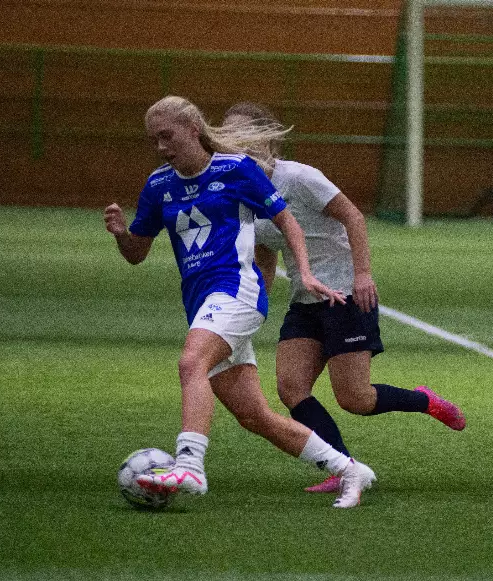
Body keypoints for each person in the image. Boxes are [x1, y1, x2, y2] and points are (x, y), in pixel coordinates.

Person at [103, 95, 376, 508]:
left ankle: (189, 465)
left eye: (167, 136)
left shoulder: (236, 169)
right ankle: (348, 468)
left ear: (193, 129)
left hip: (237, 291)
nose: (160, 147)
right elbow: (137, 254)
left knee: (191, 363)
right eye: (153, 139)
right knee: (254, 416)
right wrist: (122, 234)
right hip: (201, 302)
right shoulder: (159, 185)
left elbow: (288, 222)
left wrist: (304, 273)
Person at [222, 102, 466, 494]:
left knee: (355, 398)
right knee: (291, 388)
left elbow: (353, 216)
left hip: (345, 295)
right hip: (304, 301)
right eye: (227, 135)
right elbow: (265, 253)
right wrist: (252, 304)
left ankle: (424, 401)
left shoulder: (299, 177)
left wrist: (363, 274)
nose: (234, 143)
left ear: (267, 139)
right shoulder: (242, 193)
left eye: (242, 135)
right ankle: (344, 468)